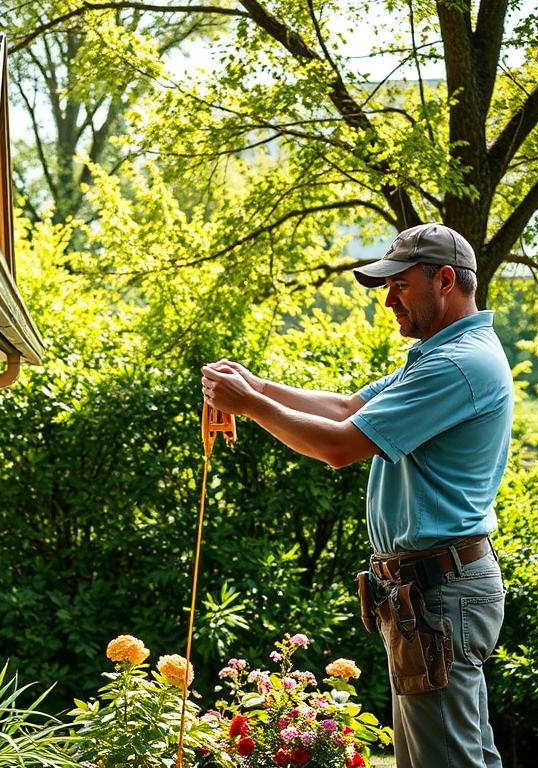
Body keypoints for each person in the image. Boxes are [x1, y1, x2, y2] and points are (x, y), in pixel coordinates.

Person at [201, 223, 512, 768]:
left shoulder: (458, 365)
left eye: (400, 285)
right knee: (455, 755)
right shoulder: (442, 354)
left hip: (440, 592)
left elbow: (341, 446)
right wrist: (258, 387)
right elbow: (348, 409)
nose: (388, 300)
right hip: (430, 591)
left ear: (444, 280)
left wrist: (248, 405)